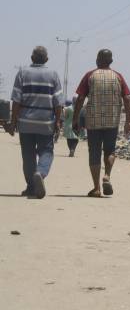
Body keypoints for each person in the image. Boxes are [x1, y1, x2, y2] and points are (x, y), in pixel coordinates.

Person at [73, 49, 130, 198]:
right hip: (112, 121)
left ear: (97, 60)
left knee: (94, 153)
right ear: (111, 61)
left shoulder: (90, 75)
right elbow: (127, 99)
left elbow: (80, 98)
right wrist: (128, 121)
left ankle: (96, 188)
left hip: (93, 122)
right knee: (110, 151)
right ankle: (106, 175)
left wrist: (75, 119)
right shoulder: (118, 76)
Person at [8, 46, 64, 198]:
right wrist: (58, 122)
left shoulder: (22, 73)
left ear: (32, 58)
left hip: (25, 122)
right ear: (46, 60)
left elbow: (16, 100)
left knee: (28, 155)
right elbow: (58, 102)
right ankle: (40, 173)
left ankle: (31, 186)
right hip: (46, 122)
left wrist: (13, 122)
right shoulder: (53, 75)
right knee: (46, 151)